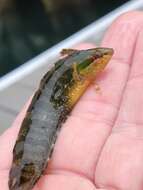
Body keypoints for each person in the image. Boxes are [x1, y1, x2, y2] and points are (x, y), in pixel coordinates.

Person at [1, 11, 143, 190]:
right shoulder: (72, 73)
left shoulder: (74, 71)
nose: (107, 55)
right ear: (78, 71)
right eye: (94, 59)